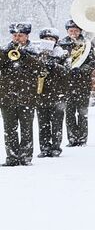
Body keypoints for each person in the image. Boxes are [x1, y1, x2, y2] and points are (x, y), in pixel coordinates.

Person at [1, 22, 40, 166]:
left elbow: (40, 68)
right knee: (9, 130)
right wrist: (5, 53)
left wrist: (25, 56)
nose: (17, 38)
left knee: (26, 129)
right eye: (15, 35)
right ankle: (11, 158)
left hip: (27, 96)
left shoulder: (33, 50)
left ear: (27, 36)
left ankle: (25, 157)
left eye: (20, 35)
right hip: (7, 96)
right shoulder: (4, 50)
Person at [33, 28, 68, 158]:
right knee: (43, 124)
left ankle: (56, 147)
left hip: (58, 94)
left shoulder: (63, 54)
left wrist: (55, 65)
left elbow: (67, 71)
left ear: (56, 41)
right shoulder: (37, 54)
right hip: (41, 93)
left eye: (51, 39)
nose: (48, 41)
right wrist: (42, 60)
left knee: (57, 123)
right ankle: (44, 148)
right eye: (46, 39)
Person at [60, 19, 95, 147]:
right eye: (71, 31)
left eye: (76, 30)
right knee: (69, 113)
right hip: (66, 84)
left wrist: (81, 70)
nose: (73, 33)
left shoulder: (88, 44)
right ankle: (72, 139)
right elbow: (59, 61)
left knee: (82, 112)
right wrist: (66, 69)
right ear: (67, 31)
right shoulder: (61, 44)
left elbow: (93, 62)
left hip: (83, 83)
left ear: (80, 31)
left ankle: (82, 138)